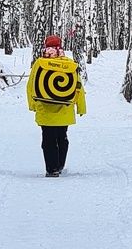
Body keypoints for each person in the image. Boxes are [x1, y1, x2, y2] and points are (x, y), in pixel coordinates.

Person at [27, 33, 86, 177]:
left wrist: (33, 104)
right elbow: (78, 87)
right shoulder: (69, 64)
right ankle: (59, 165)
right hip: (64, 110)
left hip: (45, 110)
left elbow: (31, 86)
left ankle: (51, 169)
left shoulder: (40, 63)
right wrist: (81, 106)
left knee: (48, 140)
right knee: (62, 138)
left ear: (45, 47)